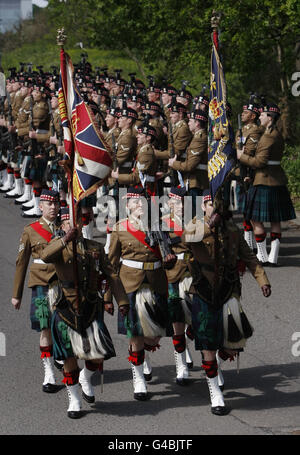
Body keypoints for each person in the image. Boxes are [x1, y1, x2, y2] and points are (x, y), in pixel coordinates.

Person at [183, 189, 271, 415]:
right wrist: (209, 225)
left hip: (229, 290)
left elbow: (249, 258)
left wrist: (263, 280)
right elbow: (186, 238)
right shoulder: (195, 225)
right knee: (209, 344)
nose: (215, 207)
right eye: (210, 203)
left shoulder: (232, 230)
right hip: (204, 290)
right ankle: (215, 393)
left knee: (231, 341)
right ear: (203, 206)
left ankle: (215, 366)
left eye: (218, 204)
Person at [40, 205, 129, 418]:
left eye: (78, 221)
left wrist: (122, 301)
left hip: (90, 306)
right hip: (66, 308)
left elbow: (112, 274)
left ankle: (86, 377)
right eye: (70, 221)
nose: (75, 225)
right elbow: (45, 255)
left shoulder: (94, 247)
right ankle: (75, 399)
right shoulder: (57, 245)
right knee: (69, 357)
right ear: (63, 225)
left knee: (98, 354)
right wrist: (64, 239)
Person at [106, 186, 170, 401]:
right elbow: (111, 266)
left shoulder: (158, 227)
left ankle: (144, 354)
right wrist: (108, 297)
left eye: (142, 201)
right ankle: (138, 377)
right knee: (135, 335)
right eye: (135, 202)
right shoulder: (119, 228)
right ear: (127, 206)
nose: (139, 205)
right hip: (130, 286)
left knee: (156, 334)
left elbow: (170, 252)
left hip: (156, 283)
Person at [11, 189, 62, 395]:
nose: (53, 207)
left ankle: (63, 358)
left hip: (62, 282)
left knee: (64, 326)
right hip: (41, 282)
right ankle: (48, 371)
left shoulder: (65, 227)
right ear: (40, 206)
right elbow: (21, 264)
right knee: (45, 329)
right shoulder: (30, 230)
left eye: (56, 204)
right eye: (48, 204)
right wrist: (17, 294)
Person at [237, 101, 296, 266]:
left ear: (270, 118)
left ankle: (263, 257)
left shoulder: (268, 137)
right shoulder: (275, 133)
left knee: (255, 219)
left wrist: (240, 155)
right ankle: (273, 257)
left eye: (263, 115)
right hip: (276, 179)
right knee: (276, 220)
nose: (260, 117)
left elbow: (259, 162)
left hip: (264, 180)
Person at [234, 97, 263, 251]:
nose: (243, 114)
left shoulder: (255, 130)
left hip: (249, 172)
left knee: (251, 212)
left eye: (246, 112)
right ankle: (248, 244)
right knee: (245, 211)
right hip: (240, 171)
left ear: (253, 116)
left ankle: (257, 246)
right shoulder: (242, 130)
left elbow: (249, 150)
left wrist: (240, 150)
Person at [169, 109, 209, 218]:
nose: (188, 123)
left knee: (195, 216)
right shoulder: (196, 137)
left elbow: (190, 165)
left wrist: (174, 164)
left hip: (196, 181)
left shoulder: (199, 139)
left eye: (191, 121)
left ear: (197, 123)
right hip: (194, 181)